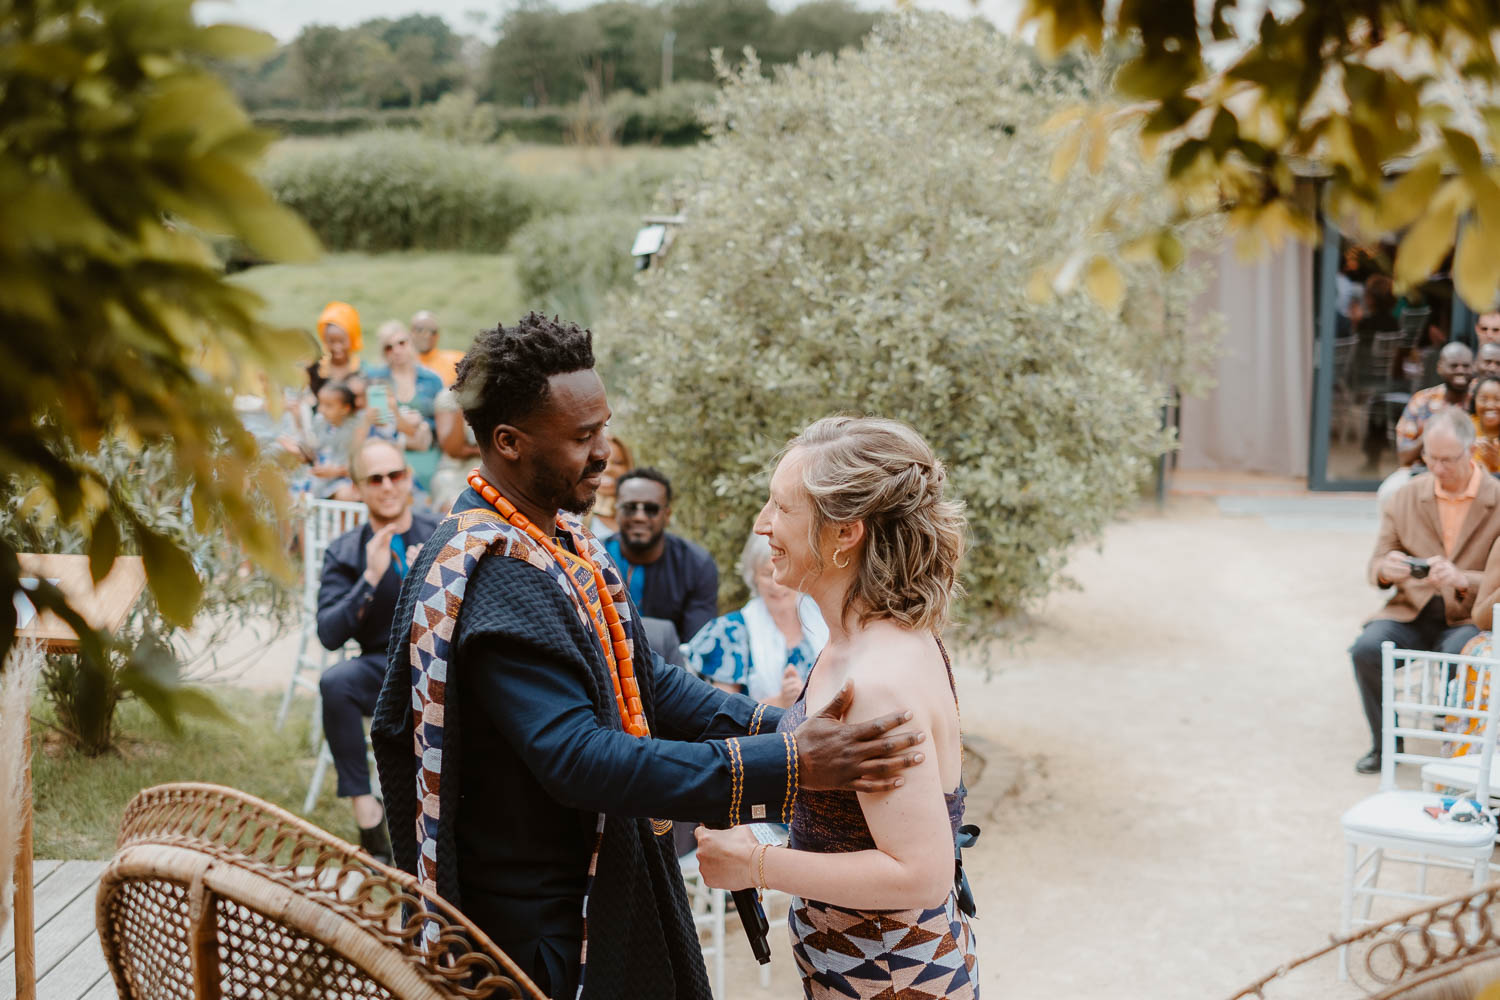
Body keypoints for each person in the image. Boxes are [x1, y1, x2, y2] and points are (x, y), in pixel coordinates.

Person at [370, 313, 928, 1000]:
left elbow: (644, 678)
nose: (606, 450)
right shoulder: (493, 576)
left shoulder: (560, 541)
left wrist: (776, 726)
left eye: (603, 426)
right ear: (509, 443)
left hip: (590, 891)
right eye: (583, 437)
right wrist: (786, 764)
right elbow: (578, 758)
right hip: (539, 941)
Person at [695, 416, 978, 1000]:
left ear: (843, 533)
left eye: (782, 508)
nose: (762, 525)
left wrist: (757, 865)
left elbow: (920, 873)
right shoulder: (856, 639)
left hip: (895, 980)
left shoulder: (879, 677)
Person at [1349, 408, 1500, 773]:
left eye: (1448, 459)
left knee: (1461, 655)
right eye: (1431, 458)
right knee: (1366, 650)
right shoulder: (1405, 496)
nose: (1438, 468)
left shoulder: (1497, 498)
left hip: (1468, 613)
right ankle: (1386, 743)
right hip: (1411, 608)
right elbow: (1377, 564)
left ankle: (1458, 752)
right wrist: (1388, 569)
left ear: (1471, 452)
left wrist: (1462, 578)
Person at [316, 438, 440, 857]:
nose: (387, 486)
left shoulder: (442, 534)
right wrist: (369, 578)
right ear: (357, 487)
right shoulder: (346, 551)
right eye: (375, 479)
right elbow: (329, 634)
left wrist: (436, 581)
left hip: (440, 666)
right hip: (381, 668)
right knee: (336, 683)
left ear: (409, 479)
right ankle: (369, 819)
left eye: (395, 475)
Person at [688, 531, 828, 708]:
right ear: (753, 575)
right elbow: (721, 714)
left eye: (784, 571)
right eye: (767, 574)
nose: (776, 584)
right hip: (766, 734)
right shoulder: (730, 632)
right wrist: (779, 703)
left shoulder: (828, 618)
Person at [603, 468, 720, 643]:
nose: (639, 517)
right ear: (616, 511)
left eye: (651, 509)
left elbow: (697, 644)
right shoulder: (593, 557)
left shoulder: (695, 565)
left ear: (667, 515)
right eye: (629, 507)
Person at [1378, 342, 1475, 509]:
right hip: (1424, 471)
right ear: (1440, 367)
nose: (1460, 370)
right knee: (1389, 490)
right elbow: (1404, 457)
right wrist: (1434, 434)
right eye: (1454, 365)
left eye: (1466, 366)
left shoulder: (1483, 398)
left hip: (1471, 472)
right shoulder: (1422, 400)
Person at [366, 320, 444, 495]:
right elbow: (374, 420)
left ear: (410, 343)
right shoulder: (375, 378)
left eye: (401, 343)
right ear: (384, 353)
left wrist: (420, 424)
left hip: (425, 446)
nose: (396, 350)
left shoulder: (431, 379)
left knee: (425, 475)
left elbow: (441, 423)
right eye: (389, 347)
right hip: (388, 444)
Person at [430, 386, 480, 513]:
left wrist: (470, 450)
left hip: (491, 468)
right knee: (453, 504)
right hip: (455, 470)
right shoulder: (447, 397)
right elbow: (453, 450)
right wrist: (462, 405)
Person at [307, 301, 366, 403]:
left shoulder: (362, 371)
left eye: (341, 341)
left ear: (351, 340)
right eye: (331, 341)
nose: (337, 347)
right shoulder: (315, 369)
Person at [589, 434, 634, 539]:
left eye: (618, 463)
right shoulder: (570, 517)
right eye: (600, 461)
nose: (608, 468)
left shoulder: (641, 517)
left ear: (628, 467)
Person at [411, 309, 464, 387]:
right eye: (420, 330)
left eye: (432, 331)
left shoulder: (457, 359)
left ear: (438, 335)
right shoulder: (401, 365)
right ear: (411, 333)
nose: (426, 335)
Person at [1473, 376, 1500, 474]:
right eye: (1483, 399)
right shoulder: (1463, 427)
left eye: (1497, 399)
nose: (1490, 405)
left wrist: (1494, 466)